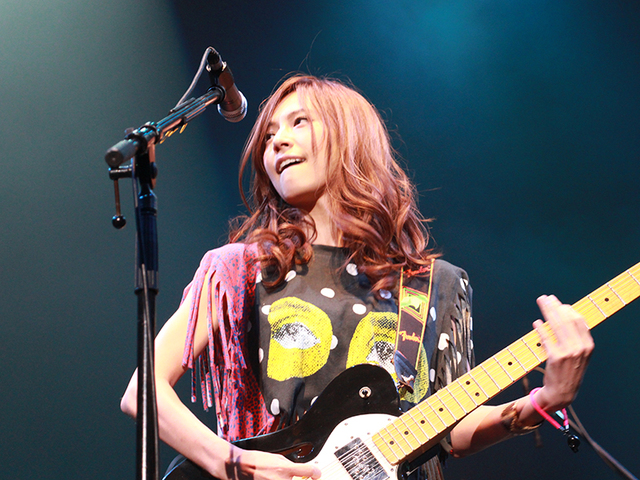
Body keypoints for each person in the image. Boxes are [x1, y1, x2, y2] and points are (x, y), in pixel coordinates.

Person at [121, 75, 594, 480]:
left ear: (350, 136)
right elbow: (143, 390)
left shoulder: (433, 284)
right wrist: (232, 461)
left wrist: (542, 402)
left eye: (298, 122)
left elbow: (450, 428)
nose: (277, 142)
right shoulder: (242, 270)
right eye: (268, 135)